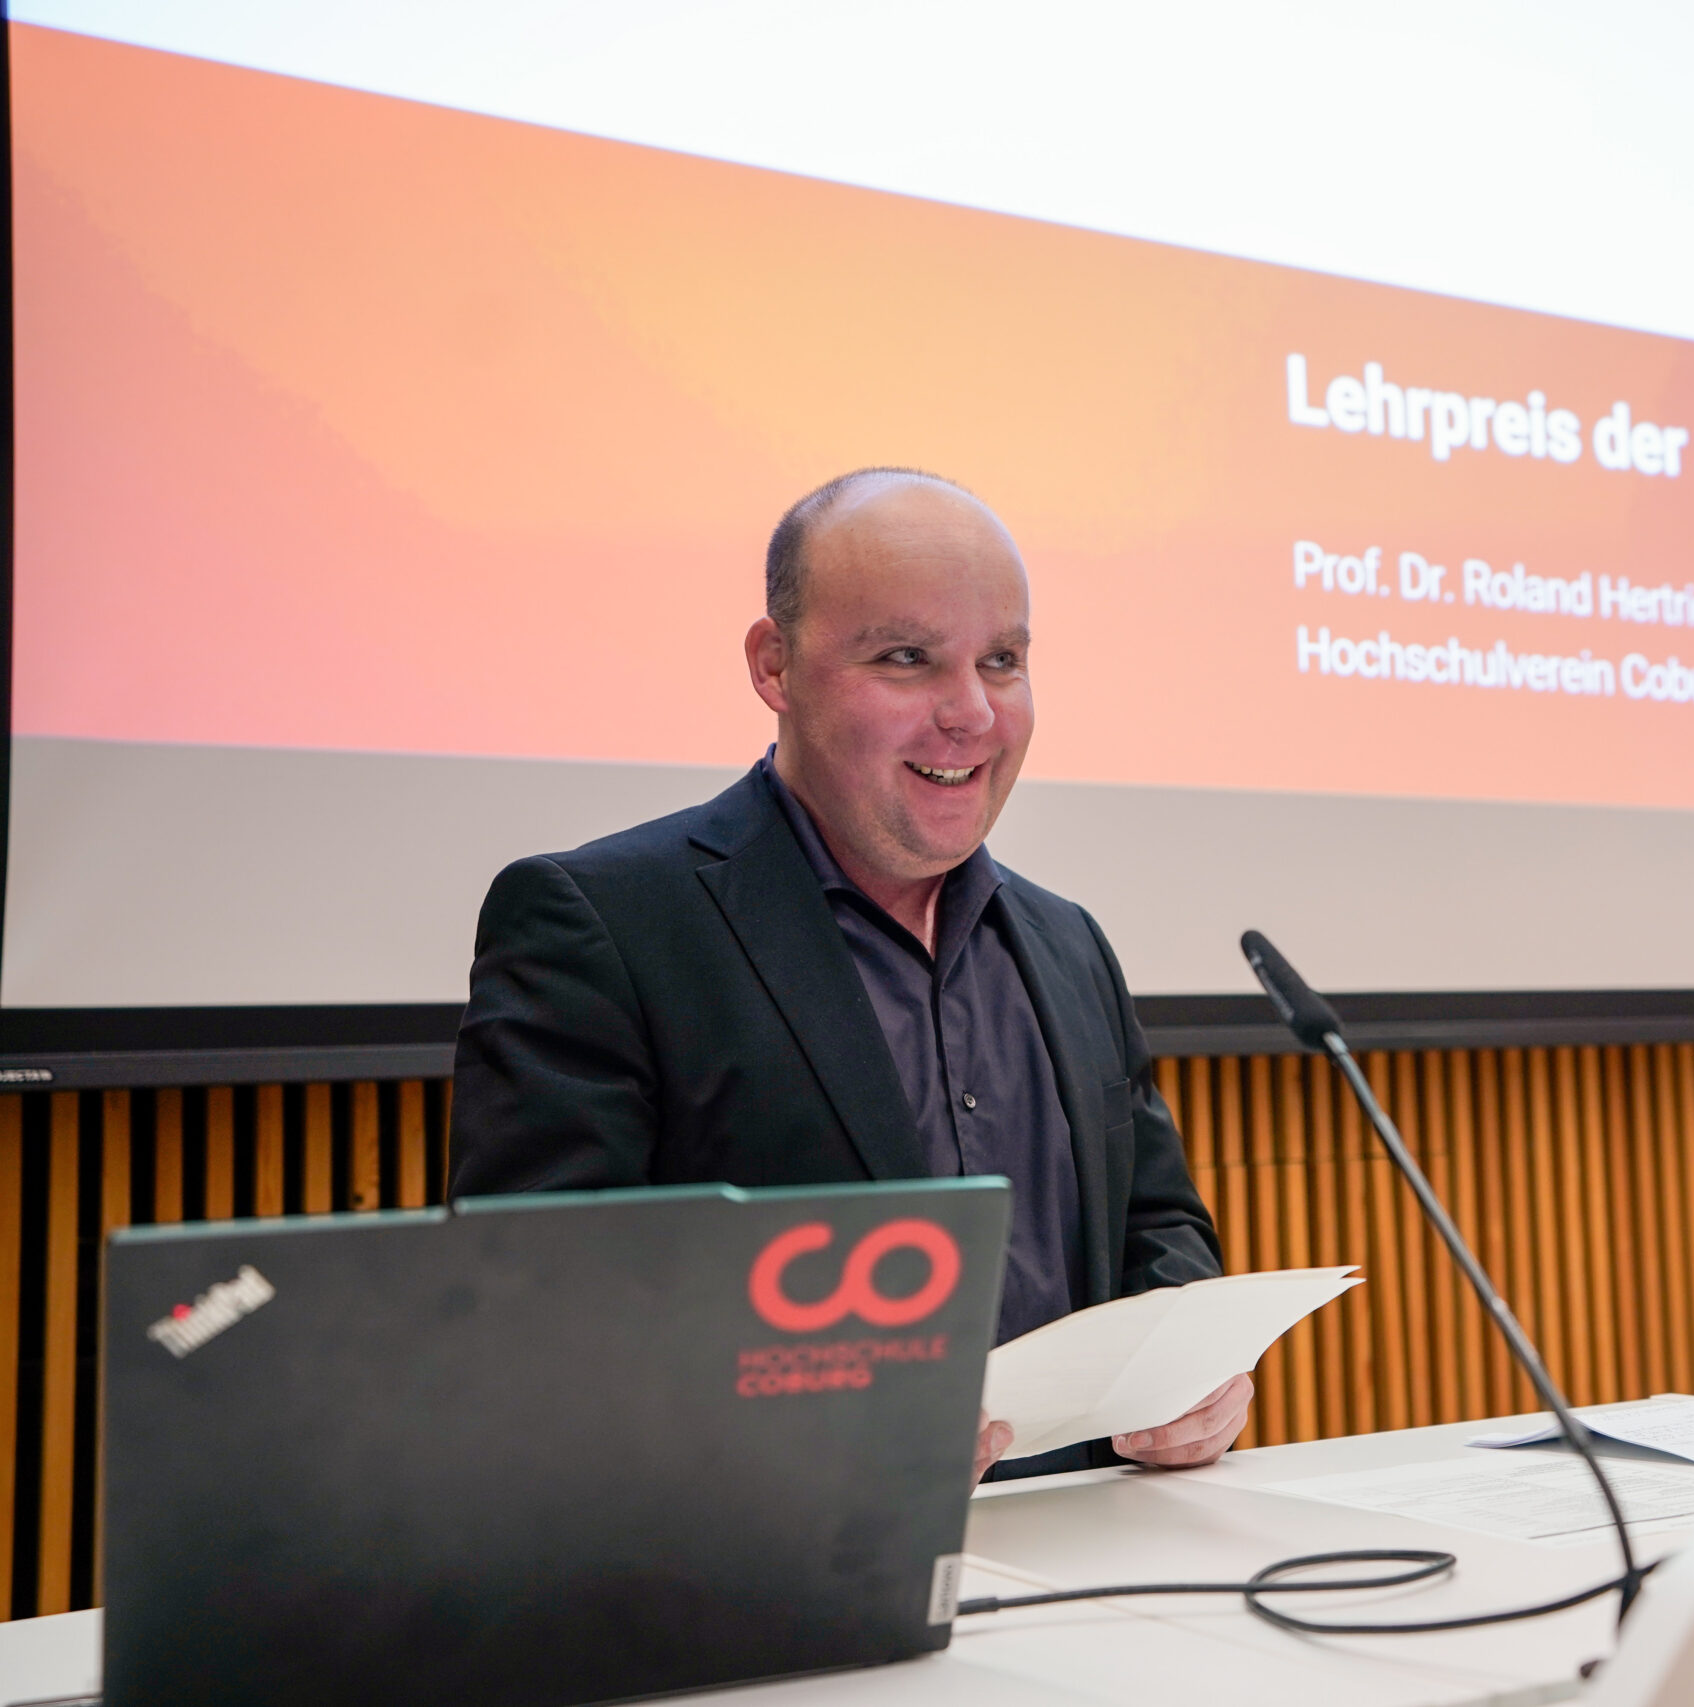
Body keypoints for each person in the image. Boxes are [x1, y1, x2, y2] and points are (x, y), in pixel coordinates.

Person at [449, 467, 1251, 1479]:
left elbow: (1153, 1220)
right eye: (907, 659)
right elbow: (539, 1305)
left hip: (1099, 1560)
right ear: (774, 666)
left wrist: (1189, 1371)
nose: (971, 713)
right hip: (774, 1586)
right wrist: (810, 1427)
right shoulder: (603, 923)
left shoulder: (1066, 941)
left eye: (1001, 661)